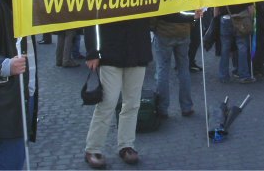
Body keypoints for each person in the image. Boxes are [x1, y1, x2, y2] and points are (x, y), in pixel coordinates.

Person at [83, 19, 152, 169]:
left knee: (132, 103)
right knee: (108, 103)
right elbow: (90, 14)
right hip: (110, 50)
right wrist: (92, 51)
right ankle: (93, 148)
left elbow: (166, 4)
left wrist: (190, 15)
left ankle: (126, 145)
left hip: (137, 49)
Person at [0, 0, 38, 170]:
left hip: (24, 92)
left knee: (18, 155)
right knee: (11, 158)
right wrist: (5, 65)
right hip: (7, 99)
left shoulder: (19, 5)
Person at [151, 10, 203, 118]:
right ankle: (186, 107)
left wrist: (154, 27)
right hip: (183, 31)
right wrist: (191, 23)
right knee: (183, 69)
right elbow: (192, 11)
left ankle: (162, 108)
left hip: (163, 31)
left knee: (162, 70)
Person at [215, 3, 255, 84]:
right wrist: (251, 19)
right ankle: (243, 75)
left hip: (225, 18)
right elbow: (250, 7)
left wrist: (215, 19)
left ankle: (223, 75)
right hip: (241, 18)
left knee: (225, 48)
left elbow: (216, 6)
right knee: (242, 47)